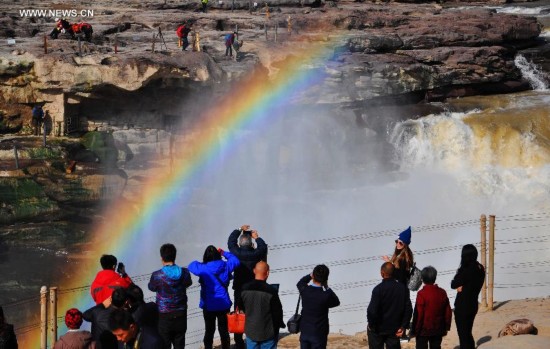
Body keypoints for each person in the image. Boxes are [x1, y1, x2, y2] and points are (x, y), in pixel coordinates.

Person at [188, 246, 240, 349]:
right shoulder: (226, 266)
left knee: (209, 330)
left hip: (208, 306)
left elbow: (191, 265)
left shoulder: (203, 268)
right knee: (224, 330)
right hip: (223, 304)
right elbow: (235, 260)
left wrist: (204, 263)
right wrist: (224, 252)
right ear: (218, 255)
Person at [227, 225, 268, 349]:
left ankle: (239, 342)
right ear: (251, 244)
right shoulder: (256, 253)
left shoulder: (236, 252)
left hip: (239, 288)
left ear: (240, 244)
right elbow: (263, 247)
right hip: (253, 289)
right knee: (253, 313)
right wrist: (257, 237)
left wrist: (239, 229)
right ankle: (252, 339)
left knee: (238, 313)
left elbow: (230, 241)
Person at [148, 243, 193, 349]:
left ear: (161, 258)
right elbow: (188, 283)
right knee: (179, 344)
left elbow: (151, 287)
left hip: (164, 315)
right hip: (181, 313)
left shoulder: (157, 275)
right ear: (175, 256)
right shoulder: (185, 272)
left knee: (164, 344)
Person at [367, 262, 413, 349]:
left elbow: (372, 311)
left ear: (382, 273)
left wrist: (371, 324)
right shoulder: (402, 288)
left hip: (378, 329)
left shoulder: (378, 289)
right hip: (395, 330)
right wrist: (403, 326)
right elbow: (408, 309)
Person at [241, 261, 285, 349]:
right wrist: (278, 327)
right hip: (267, 332)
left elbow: (241, 307)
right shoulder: (271, 291)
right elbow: (277, 313)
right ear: (268, 273)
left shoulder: (244, 288)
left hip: (251, 330)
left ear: (254, 271)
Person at [296, 264, 340, 349]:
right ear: (326, 278)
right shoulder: (326, 295)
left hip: (305, 332)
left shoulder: (305, 290)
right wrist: (327, 287)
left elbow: (300, 283)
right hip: (319, 334)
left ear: (313, 276)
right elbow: (336, 302)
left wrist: (309, 276)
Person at [451, 244, 486, 349]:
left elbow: (453, 284)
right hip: (473, 304)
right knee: (467, 332)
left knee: (463, 335)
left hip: (463, 306)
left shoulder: (466, 270)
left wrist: (460, 285)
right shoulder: (480, 268)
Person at [409, 266, 452, 349]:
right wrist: (446, 327)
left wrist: (415, 330)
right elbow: (448, 312)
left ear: (423, 279)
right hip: (438, 328)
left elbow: (419, 314)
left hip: (423, 330)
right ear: (435, 278)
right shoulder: (442, 292)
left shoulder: (421, 294)